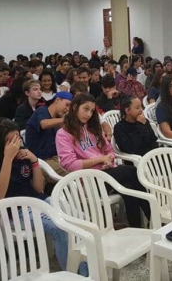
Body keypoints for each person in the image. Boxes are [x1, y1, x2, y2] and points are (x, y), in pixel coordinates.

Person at [0, 118, 70, 272]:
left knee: (75, 218)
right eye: (10, 141)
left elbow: (38, 188)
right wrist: (8, 159)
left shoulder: (22, 154)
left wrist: (35, 161)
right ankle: (74, 274)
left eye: (17, 138)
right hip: (14, 211)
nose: (15, 144)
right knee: (60, 228)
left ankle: (83, 269)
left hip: (36, 200)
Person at [56, 93, 151, 228]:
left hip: (106, 172)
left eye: (92, 111)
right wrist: (100, 159)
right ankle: (153, 217)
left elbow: (109, 150)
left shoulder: (93, 128)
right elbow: (70, 164)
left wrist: (108, 160)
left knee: (129, 188)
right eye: (86, 109)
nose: (89, 114)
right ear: (75, 107)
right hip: (88, 181)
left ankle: (138, 229)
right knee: (132, 172)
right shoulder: (63, 134)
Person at [25, 91, 72, 182]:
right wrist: (66, 119)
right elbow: (44, 124)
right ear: (57, 100)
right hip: (42, 162)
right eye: (67, 105)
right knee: (77, 172)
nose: (67, 109)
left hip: (58, 158)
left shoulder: (58, 120)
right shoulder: (42, 110)